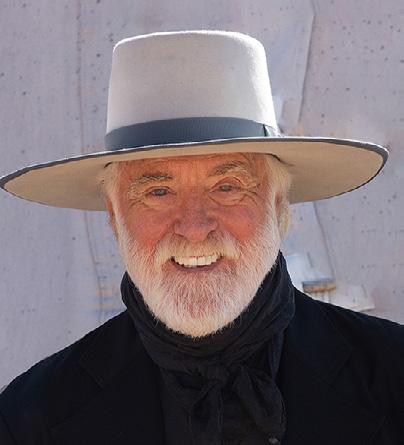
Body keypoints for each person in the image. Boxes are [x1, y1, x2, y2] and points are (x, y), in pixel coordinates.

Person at [0, 30, 402, 445]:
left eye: (227, 187)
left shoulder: (395, 381)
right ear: (115, 217)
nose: (194, 228)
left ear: (278, 204)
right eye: (158, 192)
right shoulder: (31, 422)